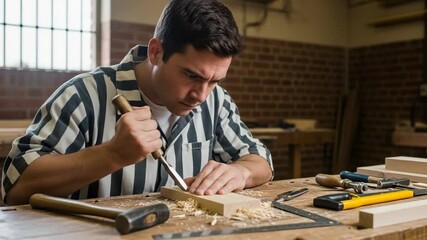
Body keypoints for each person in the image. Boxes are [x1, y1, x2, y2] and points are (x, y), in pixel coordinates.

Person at [1, 0, 273, 205]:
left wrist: (240, 172)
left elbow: (260, 161)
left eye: (215, 80)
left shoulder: (216, 101)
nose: (201, 95)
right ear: (156, 52)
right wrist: (111, 155)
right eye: (191, 75)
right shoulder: (83, 95)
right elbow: (17, 188)